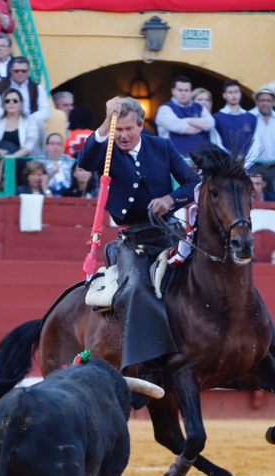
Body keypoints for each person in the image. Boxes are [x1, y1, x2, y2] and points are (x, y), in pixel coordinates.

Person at [78, 95, 199, 380]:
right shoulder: (107, 151)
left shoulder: (162, 146)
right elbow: (85, 161)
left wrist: (170, 199)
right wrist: (109, 119)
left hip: (169, 232)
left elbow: (193, 182)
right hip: (134, 239)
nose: (122, 136)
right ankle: (146, 362)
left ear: (140, 127)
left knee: (207, 276)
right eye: (118, 130)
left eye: (128, 129)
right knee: (135, 290)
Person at [0, 56, 51, 154]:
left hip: (30, 121)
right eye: (17, 71)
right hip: (7, 121)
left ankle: (42, 160)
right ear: (11, 71)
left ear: (28, 72)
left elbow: (45, 112)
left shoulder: (37, 88)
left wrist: (26, 119)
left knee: (40, 125)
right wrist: (11, 115)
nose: (20, 73)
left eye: (23, 71)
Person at [0, 87, 39, 182]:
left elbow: (30, 145)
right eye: (7, 101)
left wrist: (13, 156)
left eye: (15, 100)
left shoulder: (30, 121)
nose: (11, 103)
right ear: (3, 104)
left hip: (22, 159)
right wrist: (1, 153)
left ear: (21, 103)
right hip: (2, 158)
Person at [155, 75, 214, 159]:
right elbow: (178, 127)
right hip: (176, 159)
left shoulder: (199, 107)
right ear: (173, 91)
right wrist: (201, 125)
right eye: (180, 90)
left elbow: (210, 124)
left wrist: (187, 120)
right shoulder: (164, 109)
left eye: (186, 90)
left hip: (203, 159)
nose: (183, 93)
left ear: (190, 92)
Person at [210, 79, 259, 163]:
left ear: (240, 94)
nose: (234, 95)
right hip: (226, 165)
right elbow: (216, 143)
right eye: (230, 92)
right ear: (224, 95)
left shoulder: (251, 118)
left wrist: (247, 162)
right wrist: (232, 160)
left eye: (236, 92)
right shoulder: (216, 118)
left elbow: (256, 142)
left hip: (248, 165)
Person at [41, 132, 75, 196]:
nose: (55, 146)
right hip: (44, 195)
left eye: (58, 144)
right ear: (46, 146)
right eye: (52, 143)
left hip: (69, 196)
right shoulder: (39, 162)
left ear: (62, 147)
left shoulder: (71, 162)